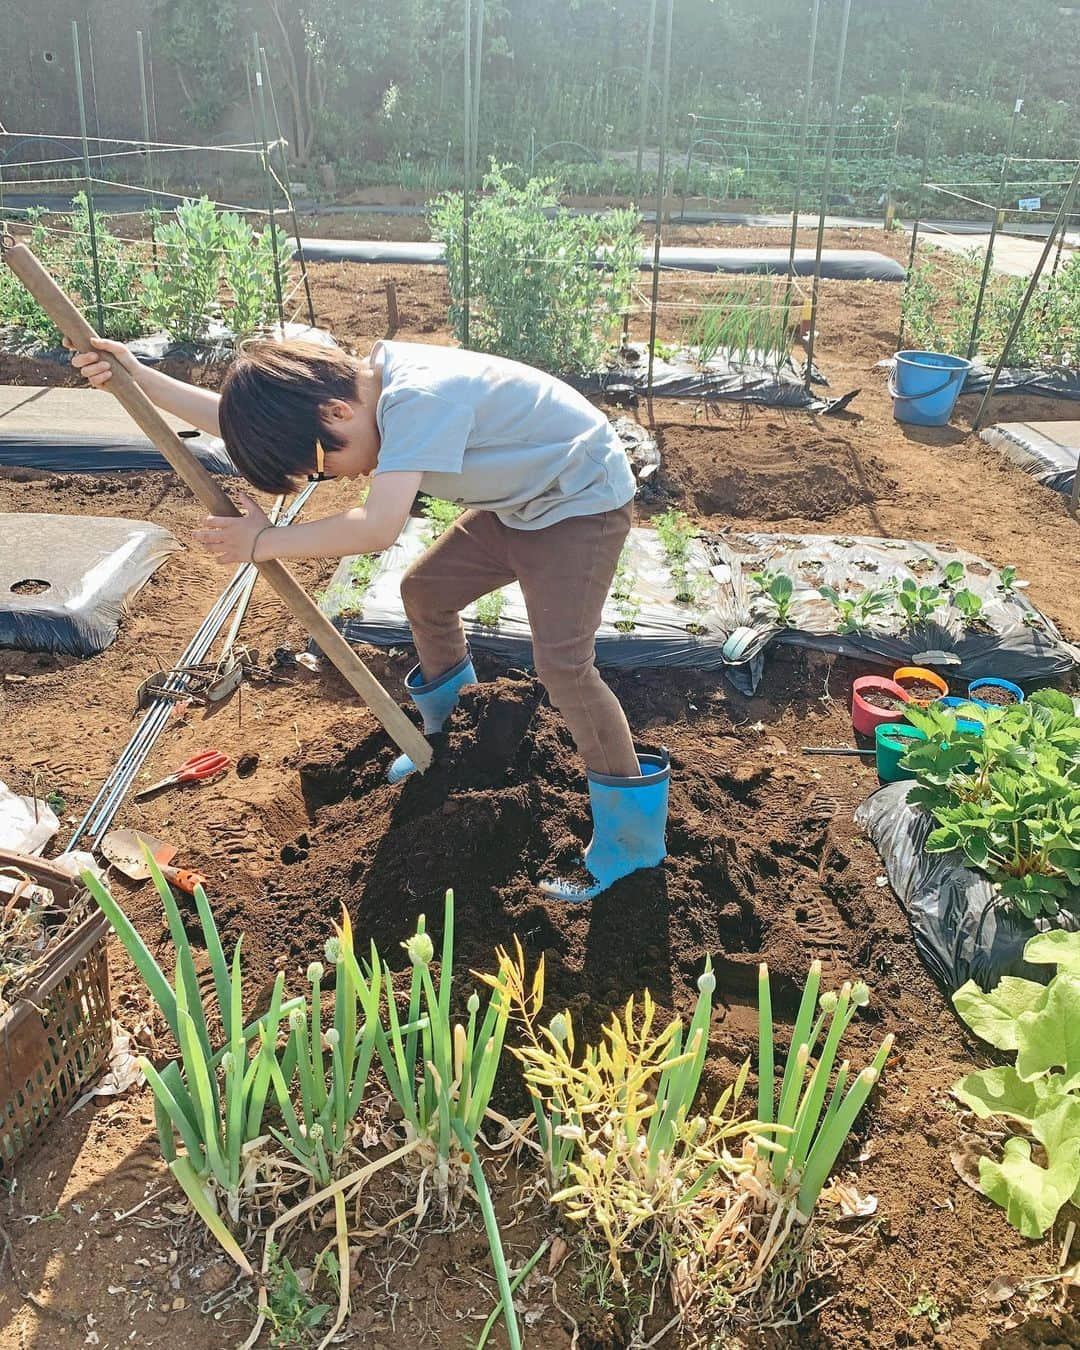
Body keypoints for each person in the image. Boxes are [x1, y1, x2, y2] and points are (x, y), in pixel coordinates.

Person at [69, 335, 669, 900]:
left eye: (327, 465)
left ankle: (630, 842)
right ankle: (450, 736)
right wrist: (139, 377)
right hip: (518, 505)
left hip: (577, 507)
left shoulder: (416, 400)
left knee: (564, 666)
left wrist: (264, 542)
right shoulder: (361, 393)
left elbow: (378, 527)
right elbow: (243, 416)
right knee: (426, 594)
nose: (339, 476)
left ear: (335, 412)